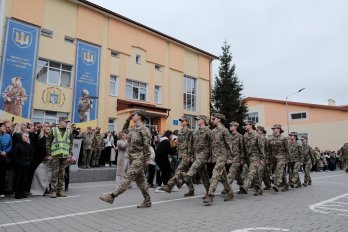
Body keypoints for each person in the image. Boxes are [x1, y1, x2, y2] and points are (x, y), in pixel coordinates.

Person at [99, 110, 152, 208]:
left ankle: (112, 196)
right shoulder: (133, 129)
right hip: (133, 158)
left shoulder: (144, 130)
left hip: (140, 158)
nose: (132, 116)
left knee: (127, 177)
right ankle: (147, 201)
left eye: (134, 114)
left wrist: (147, 159)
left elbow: (147, 145)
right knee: (141, 181)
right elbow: (124, 130)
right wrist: (127, 121)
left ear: (139, 116)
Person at [203, 113, 233, 205]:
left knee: (215, 174)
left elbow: (229, 145)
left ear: (219, 119)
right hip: (215, 157)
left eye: (214, 119)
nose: (212, 120)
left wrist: (230, 157)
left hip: (222, 156)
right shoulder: (213, 131)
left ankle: (210, 195)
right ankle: (230, 192)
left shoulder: (225, 131)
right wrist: (210, 157)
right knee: (223, 176)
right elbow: (211, 146)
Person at [159, 116, 193, 196]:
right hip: (180, 155)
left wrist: (190, 156)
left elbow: (192, 144)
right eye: (180, 121)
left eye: (182, 121)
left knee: (178, 171)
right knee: (186, 174)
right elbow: (178, 143)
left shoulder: (190, 132)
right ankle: (191, 190)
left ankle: (169, 186)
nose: (181, 122)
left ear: (187, 122)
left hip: (186, 155)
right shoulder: (180, 132)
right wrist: (172, 145)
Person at [46, 117, 73, 198]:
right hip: (55, 155)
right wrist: (49, 154)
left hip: (64, 155)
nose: (67, 123)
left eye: (67, 122)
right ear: (60, 122)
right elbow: (48, 142)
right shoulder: (53, 130)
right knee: (55, 173)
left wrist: (69, 153)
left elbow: (71, 143)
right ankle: (53, 191)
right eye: (65, 122)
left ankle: (60, 190)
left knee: (62, 173)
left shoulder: (69, 131)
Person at [238, 120, 265, 196]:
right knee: (255, 174)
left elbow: (261, 148)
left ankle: (245, 186)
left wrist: (262, 159)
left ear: (251, 125)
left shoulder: (256, 135)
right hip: (247, 158)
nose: (245, 126)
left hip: (255, 157)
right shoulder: (245, 136)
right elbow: (243, 148)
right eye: (245, 125)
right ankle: (259, 189)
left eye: (246, 125)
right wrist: (243, 158)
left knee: (251, 172)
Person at [268, 124, 289, 192]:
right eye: (273, 129)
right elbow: (270, 150)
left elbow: (287, 149)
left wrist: (287, 159)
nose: (273, 130)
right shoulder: (271, 139)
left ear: (279, 129)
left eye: (275, 128)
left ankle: (276, 184)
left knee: (278, 170)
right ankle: (286, 185)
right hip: (274, 158)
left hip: (282, 157)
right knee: (281, 172)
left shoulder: (283, 138)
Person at [12, 132, 33, 199]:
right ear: (21, 137)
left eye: (28, 136)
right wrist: (19, 163)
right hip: (19, 165)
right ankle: (17, 194)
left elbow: (31, 155)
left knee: (24, 179)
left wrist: (29, 162)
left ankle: (22, 192)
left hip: (27, 165)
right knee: (18, 179)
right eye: (25, 136)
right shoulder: (18, 145)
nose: (27, 138)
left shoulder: (29, 145)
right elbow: (15, 156)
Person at [0, 122, 13, 198]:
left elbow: (11, 146)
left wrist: (5, 151)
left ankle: (2, 191)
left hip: (4, 157)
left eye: (5, 127)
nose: (4, 128)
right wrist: (1, 152)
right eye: (2, 126)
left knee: (2, 175)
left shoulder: (8, 136)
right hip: (1, 155)